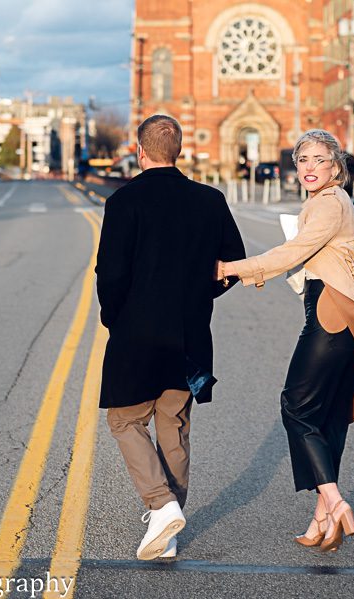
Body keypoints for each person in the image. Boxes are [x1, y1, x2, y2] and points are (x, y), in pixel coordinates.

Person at [217, 129, 354, 552]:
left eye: (319, 160)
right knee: (329, 416)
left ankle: (334, 501)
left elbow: (291, 252)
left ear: (336, 166)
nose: (310, 168)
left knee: (295, 406)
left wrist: (233, 268)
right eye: (303, 160)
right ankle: (322, 517)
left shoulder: (329, 205)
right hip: (350, 317)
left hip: (333, 315)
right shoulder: (335, 203)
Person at [96, 114, 246, 560]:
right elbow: (232, 264)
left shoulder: (123, 203)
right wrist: (202, 295)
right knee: (173, 427)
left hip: (137, 335)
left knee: (124, 421)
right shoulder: (210, 200)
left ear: (140, 151)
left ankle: (161, 507)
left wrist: (114, 318)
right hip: (189, 334)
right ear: (177, 150)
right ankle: (169, 526)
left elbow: (111, 274)